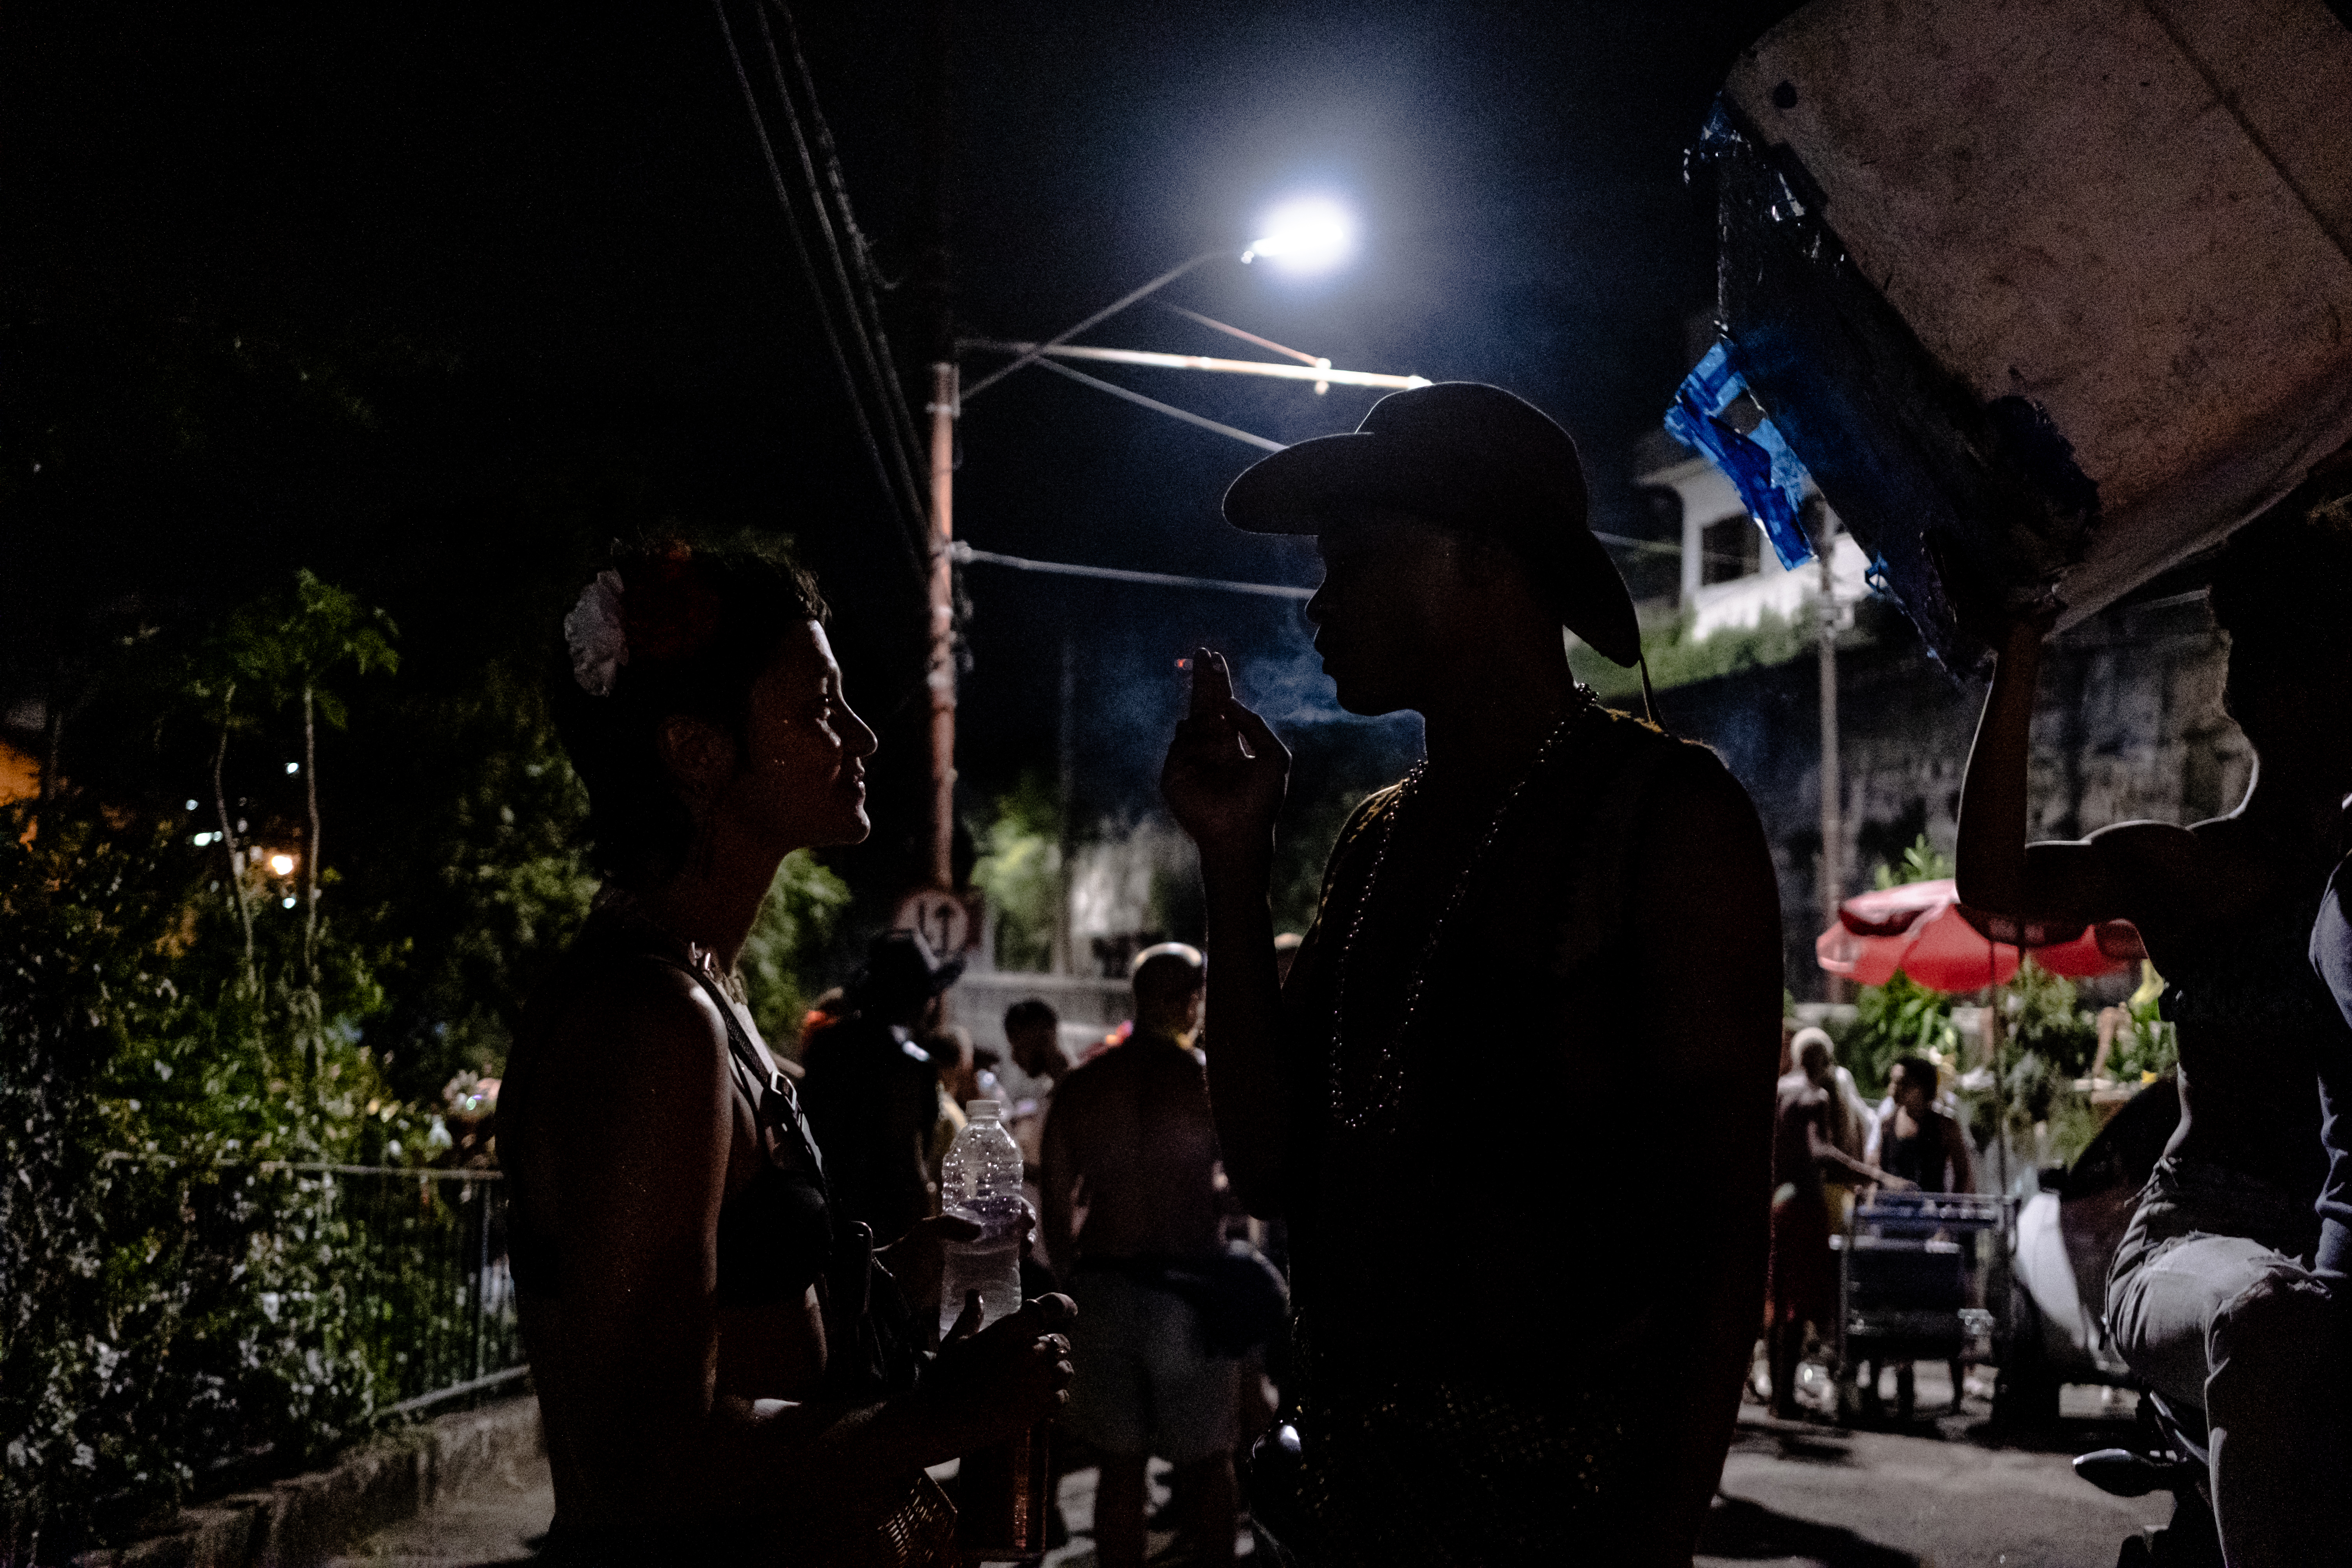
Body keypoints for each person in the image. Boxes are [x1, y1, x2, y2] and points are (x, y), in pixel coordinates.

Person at [1160, 382, 1783, 1563]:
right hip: (1345, 1505)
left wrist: (1651, 1535)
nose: (1316, 605)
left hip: (1555, 1520)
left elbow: (1716, 1239)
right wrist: (1233, 865)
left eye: (1352, 557)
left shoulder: (1663, 821)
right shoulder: (1372, 843)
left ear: (1489, 558)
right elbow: (1267, 1158)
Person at [500, 542, 1074, 1564]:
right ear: (697, 750)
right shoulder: (648, 1021)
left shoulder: (708, 990)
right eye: (816, 708)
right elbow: (644, 1460)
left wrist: (901, 1274)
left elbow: (740, 1321)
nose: (857, 736)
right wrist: (950, 1416)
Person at [1955, 485, 2352, 1566]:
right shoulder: (2189, 870)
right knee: (2275, 1323)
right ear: (2267, 694)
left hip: (2336, 1258)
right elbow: (1990, 882)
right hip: (2200, 1248)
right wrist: (2017, 659)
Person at [1039, 943, 1240, 1568]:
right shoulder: (1205, 1081)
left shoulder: (1083, 1084)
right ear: (1187, 1000)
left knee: (1118, 1470)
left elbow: (1053, 1199)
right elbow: (1245, 1183)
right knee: (1208, 1465)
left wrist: (1075, 1274)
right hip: (1188, 1289)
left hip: (1103, 1287)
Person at [1771, 1033, 1912, 1419]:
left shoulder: (1779, 1089)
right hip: (1804, 1204)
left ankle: (1779, 1398)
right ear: (1820, 1059)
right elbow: (1820, 1151)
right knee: (1799, 1307)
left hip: (1776, 1203)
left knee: (1778, 1301)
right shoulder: (1815, 1097)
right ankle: (1784, 1399)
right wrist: (1876, 1176)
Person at [800, 931, 963, 1247]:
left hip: (815, 1217)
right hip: (881, 1231)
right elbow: (907, 1163)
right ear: (915, 997)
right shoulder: (909, 1064)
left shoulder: (824, 1046)